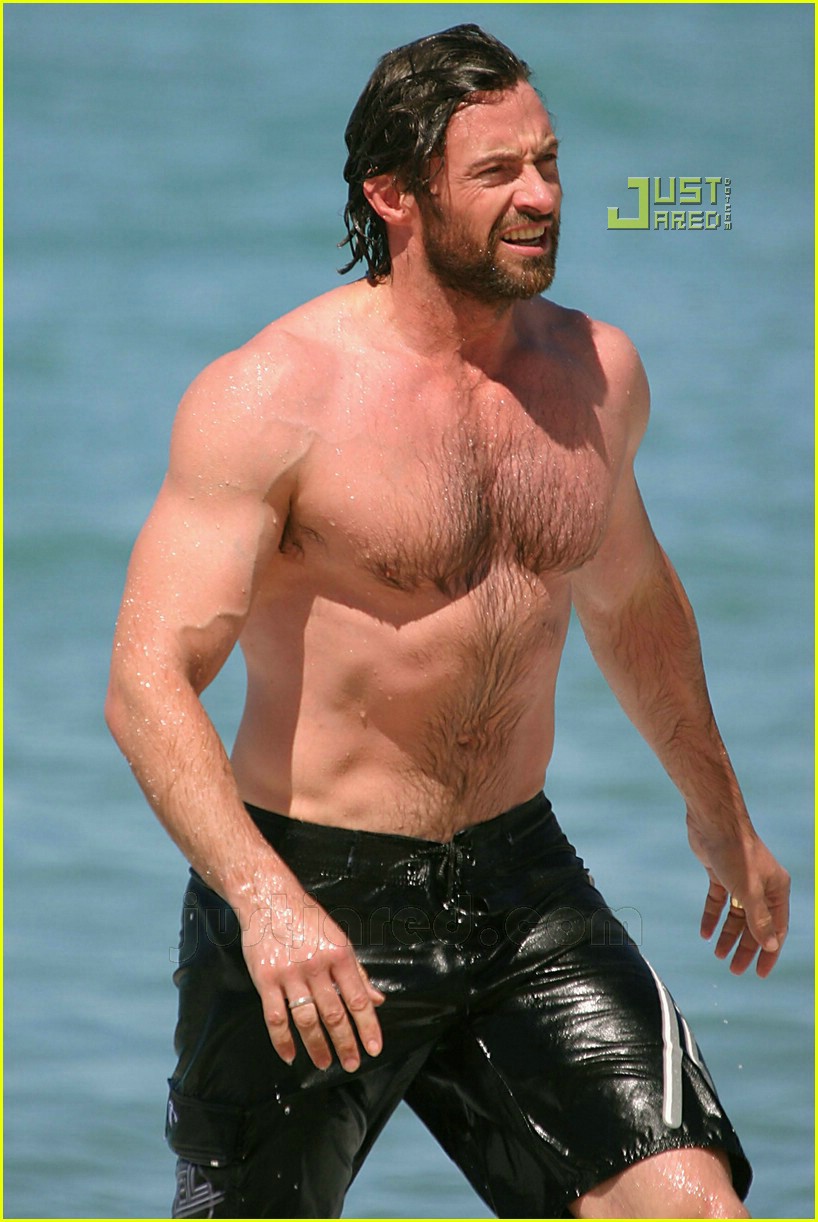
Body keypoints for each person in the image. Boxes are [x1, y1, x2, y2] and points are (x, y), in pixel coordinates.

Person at [106, 24, 790, 1219]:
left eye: (548, 162)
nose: (541, 197)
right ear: (395, 195)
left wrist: (715, 806)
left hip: (519, 880)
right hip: (314, 889)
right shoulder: (272, 398)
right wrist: (264, 903)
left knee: (690, 1202)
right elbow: (147, 677)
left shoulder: (593, 374)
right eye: (497, 172)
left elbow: (632, 603)